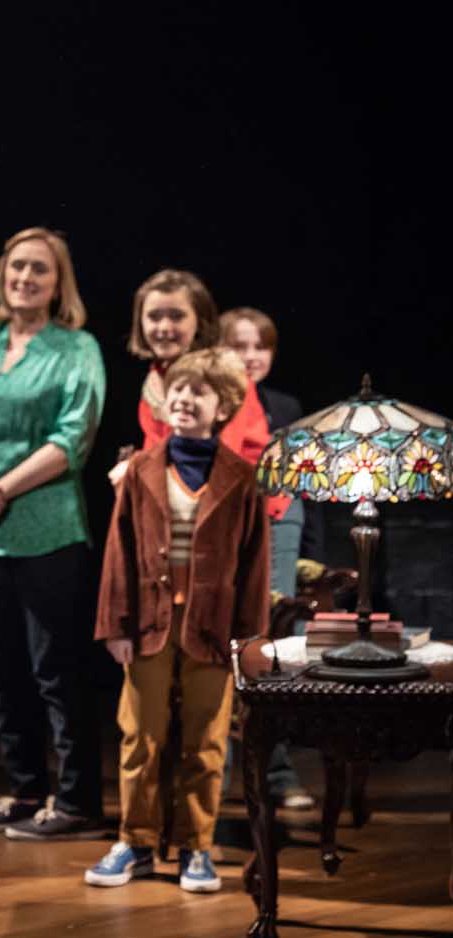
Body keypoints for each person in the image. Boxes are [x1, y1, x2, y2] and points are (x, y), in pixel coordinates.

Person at [0, 227, 107, 840]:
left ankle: (78, 801)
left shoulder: (77, 348)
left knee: (55, 668)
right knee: (3, 668)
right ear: (2, 274)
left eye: (39, 269)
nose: (25, 277)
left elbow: (72, 438)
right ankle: (26, 789)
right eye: (17, 266)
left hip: (44, 527)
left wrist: (0, 488)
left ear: (59, 284)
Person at [87, 349, 271, 893]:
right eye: (180, 390)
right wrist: (114, 625)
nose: (187, 400)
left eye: (200, 393)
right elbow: (118, 552)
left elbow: (255, 564)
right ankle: (135, 841)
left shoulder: (241, 477)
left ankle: (197, 846)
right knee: (140, 736)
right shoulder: (142, 469)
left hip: (211, 629)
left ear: (223, 407)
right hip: (147, 623)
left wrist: (249, 641)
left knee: (207, 741)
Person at [222, 306, 321, 810]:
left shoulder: (285, 407)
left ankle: (278, 773)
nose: (251, 356)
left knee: (278, 647)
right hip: (224, 529)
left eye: (260, 346)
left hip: (281, 522)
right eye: (239, 346)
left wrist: (311, 559)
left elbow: (305, 482)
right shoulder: (208, 402)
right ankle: (211, 781)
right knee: (224, 646)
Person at [107, 269, 272, 488]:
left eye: (177, 316)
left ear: (199, 320)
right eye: (154, 317)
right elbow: (158, 446)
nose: (164, 327)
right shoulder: (157, 375)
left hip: (238, 499)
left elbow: (219, 459)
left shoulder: (224, 374)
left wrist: (138, 466)